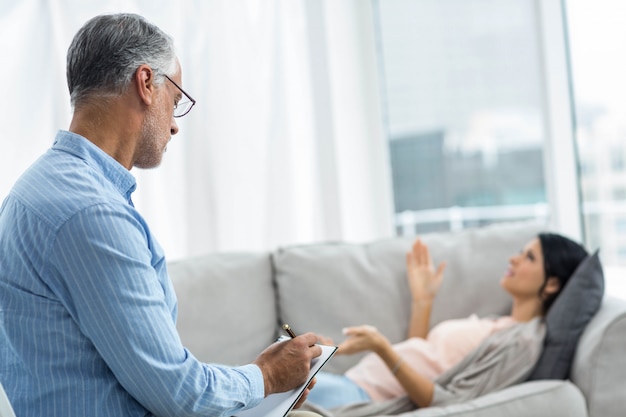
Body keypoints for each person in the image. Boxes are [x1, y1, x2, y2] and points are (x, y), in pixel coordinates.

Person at [0, 13, 323, 417]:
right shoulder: (91, 211)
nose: (174, 125)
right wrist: (267, 377)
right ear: (146, 83)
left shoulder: (32, 192)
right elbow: (178, 392)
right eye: (176, 99)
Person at [305, 233, 589, 411]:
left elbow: (446, 402)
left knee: (267, 383)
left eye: (529, 257)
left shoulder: (521, 342)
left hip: (361, 397)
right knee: (275, 372)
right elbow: (423, 356)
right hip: (353, 383)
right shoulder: (497, 324)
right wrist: (422, 301)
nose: (513, 259)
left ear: (552, 283)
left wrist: (381, 347)